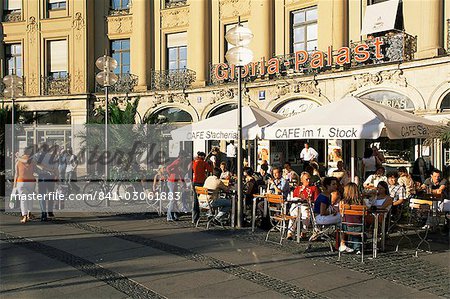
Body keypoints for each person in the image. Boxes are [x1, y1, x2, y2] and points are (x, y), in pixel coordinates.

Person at [288, 171, 321, 239]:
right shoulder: (298, 188)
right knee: (293, 214)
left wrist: (308, 199)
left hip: (307, 205)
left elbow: (316, 200)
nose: (308, 181)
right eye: (306, 179)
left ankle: (304, 231)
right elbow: (294, 198)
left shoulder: (313, 188)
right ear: (302, 180)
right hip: (297, 204)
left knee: (305, 212)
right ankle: (290, 232)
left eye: (309, 179)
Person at [33, 143, 58, 221]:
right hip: (51, 177)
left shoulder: (36, 156)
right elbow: (56, 168)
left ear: (40, 148)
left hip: (42, 177)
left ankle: (44, 214)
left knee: (42, 195)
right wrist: (57, 176)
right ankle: (50, 211)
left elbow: (34, 165)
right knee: (51, 194)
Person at [14, 146, 36, 223]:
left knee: (23, 199)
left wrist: (14, 185)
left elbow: (16, 174)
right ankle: (29, 214)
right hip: (31, 181)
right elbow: (34, 170)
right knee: (30, 198)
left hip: (21, 181)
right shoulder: (32, 160)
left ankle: (24, 216)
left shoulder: (17, 161)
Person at [339, 183, 363, 253]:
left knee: (341, 224)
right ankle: (357, 248)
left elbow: (341, 214)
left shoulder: (343, 202)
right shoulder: (361, 202)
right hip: (360, 226)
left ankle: (343, 243)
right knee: (356, 229)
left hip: (346, 227)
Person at [191, 151, 213, 224]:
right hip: (201, 183)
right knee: (205, 199)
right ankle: (209, 215)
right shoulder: (203, 163)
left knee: (195, 200)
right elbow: (210, 169)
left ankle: (194, 218)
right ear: (203, 157)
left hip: (194, 182)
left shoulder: (193, 162)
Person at [166, 151, 186, 221]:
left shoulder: (179, 163)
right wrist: (170, 174)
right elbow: (168, 168)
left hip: (173, 182)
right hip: (172, 182)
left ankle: (174, 215)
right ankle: (169, 216)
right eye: (184, 158)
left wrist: (183, 182)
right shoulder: (177, 162)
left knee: (175, 199)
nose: (185, 159)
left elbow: (179, 173)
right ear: (182, 157)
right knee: (173, 200)